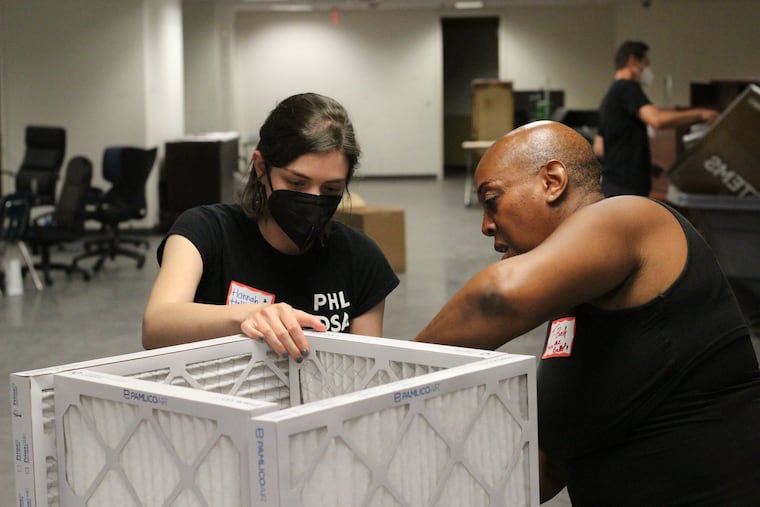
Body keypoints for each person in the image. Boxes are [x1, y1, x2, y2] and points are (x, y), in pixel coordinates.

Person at [415, 120, 760, 505]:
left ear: (552, 181)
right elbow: (554, 461)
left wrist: (386, 377)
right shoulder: (573, 307)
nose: (486, 226)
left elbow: (498, 297)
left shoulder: (634, 219)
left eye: (492, 199)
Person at [143, 92, 399, 361]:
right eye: (297, 183)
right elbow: (156, 325)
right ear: (261, 167)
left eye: (331, 188)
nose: (313, 199)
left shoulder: (361, 258)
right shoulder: (205, 232)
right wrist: (250, 316)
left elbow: (362, 372)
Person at [594, 40, 719, 197]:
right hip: (627, 188)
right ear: (633, 61)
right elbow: (657, 120)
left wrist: (645, 165)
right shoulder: (627, 87)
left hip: (613, 185)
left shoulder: (610, 95)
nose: (647, 70)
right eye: (645, 64)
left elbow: (600, 148)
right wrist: (700, 114)